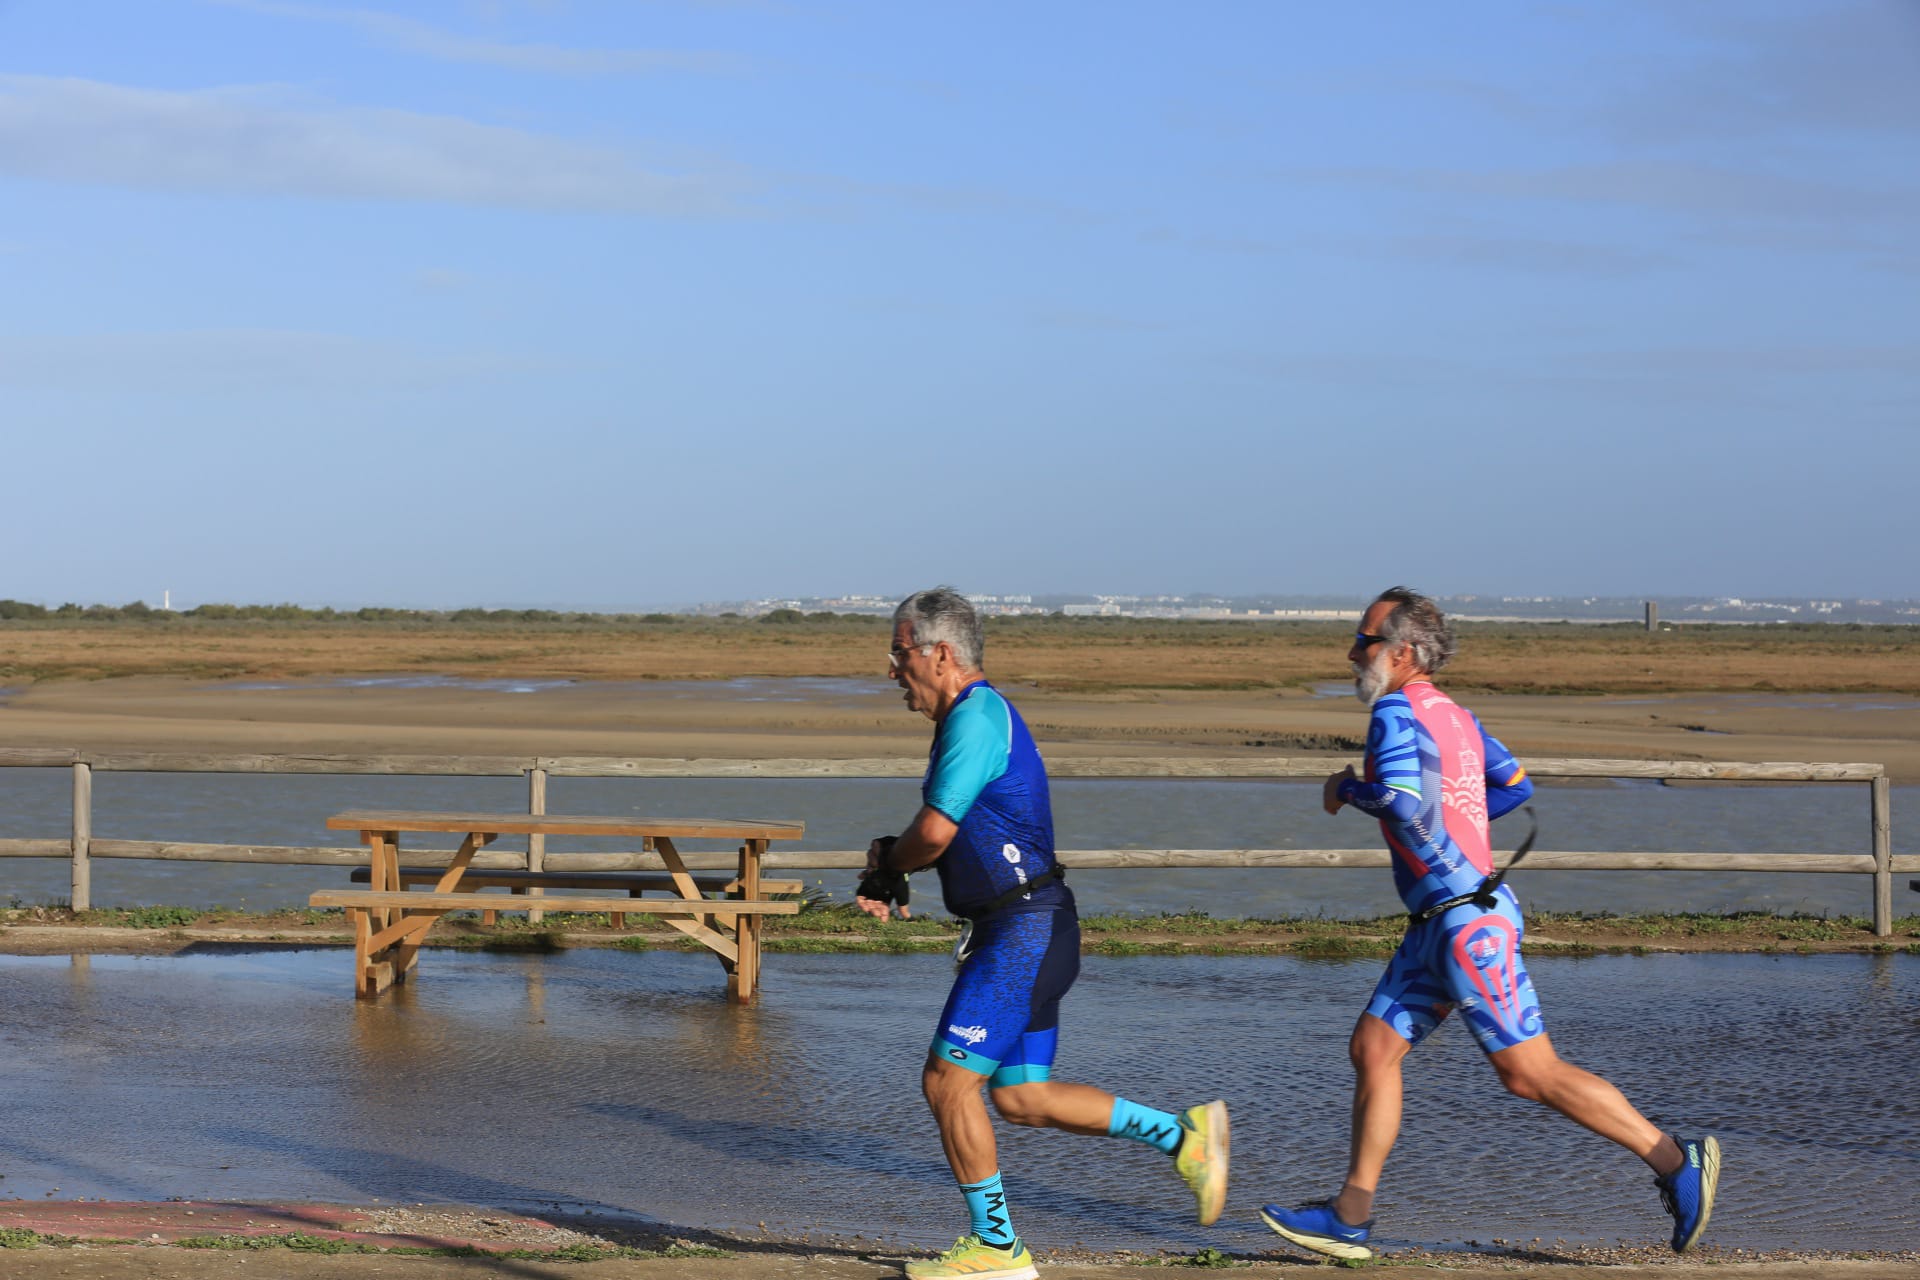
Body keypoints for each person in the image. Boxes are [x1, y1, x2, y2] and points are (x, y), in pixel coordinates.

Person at [1260, 587, 1719, 1260]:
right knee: (1374, 1049)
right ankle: (1349, 1217)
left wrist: (1345, 789)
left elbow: (1399, 801)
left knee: (1530, 1072)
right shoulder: (1457, 716)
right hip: (1437, 923)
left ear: (1403, 651)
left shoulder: (1393, 711)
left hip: (1466, 926)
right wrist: (1459, 823)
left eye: (1364, 641)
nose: (1352, 653)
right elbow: (1515, 785)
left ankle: (1677, 1161)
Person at [871, 587, 1228, 1280]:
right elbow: (956, 836)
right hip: (1036, 928)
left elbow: (936, 832)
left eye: (899, 651)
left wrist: (891, 864)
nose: (892, 669)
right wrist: (892, 862)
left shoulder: (976, 717)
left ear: (939, 654)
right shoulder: (974, 719)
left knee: (947, 1084)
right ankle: (1185, 1138)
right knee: (1021, 1097)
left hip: (1022, 936)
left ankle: (996, 1248)